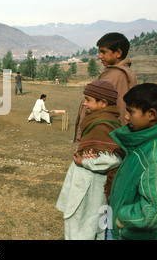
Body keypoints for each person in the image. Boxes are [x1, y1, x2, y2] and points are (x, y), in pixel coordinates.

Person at [108, 83, 157, 240]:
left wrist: (120, 217)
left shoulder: (155, 158)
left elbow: (156, 213)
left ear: (151, 115)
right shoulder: (149, 143)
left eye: (131, 112)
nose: (126, 117)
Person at [56, 80, 123, 240]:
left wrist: (85, 162)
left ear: (103, 103)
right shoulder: (97, 119)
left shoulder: (104, 124)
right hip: (85, 184)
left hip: (91, 187)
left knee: (85, 227)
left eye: (88, 100)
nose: (84, 104)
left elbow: (114, 158)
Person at [74, 32, 137, 142]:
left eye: (103, 52)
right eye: (99, 52)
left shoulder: (113, 77)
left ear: (118, 53)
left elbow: (94, 106)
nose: (99, 56)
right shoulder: (124, 73)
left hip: (102, 134)